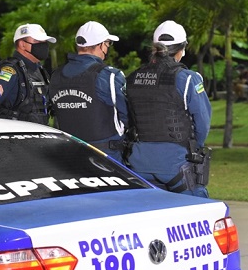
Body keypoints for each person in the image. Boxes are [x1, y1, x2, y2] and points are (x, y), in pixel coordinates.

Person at [125, 20, 212, 198]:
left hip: (139, 161)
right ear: (182, 49)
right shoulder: (188, 79)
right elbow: (202, 123)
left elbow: (128, 118)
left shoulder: (132, 78)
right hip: (177, 162)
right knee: (197, 211)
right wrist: (195, 148)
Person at [49, 21, 128, 163]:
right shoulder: (109, 76)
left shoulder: (56, 75)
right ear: (101, 45)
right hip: (107, 158)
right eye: (108, 43)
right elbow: (128, 116)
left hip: (69, 156)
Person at [0, 23, 56, 125]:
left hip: (36, 137)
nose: (43, 46)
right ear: (22, 44)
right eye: (37, 41)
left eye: (44, 42)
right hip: (12, 138)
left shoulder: (41, 71)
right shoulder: (10, 72)